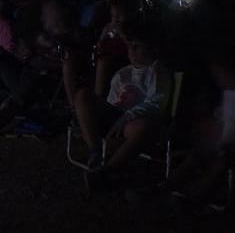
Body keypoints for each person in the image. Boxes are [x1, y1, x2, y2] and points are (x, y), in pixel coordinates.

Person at [158, 44, 235, 206]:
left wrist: (216, 139)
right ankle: (164, 187)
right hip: (229, 142)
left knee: (221, 157)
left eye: (220, 73)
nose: (217, 78)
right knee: (197, 155)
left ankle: (197, 197)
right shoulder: (230, 92)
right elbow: (222, 118)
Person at [75, 20, 174, 191]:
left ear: (151, 48)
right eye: (130, 46)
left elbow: (156, 103)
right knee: (83, 94)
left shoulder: (157, 71)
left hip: (133, 121)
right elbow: (111, 102)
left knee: (143, 127)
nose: (132, 51)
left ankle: (107, 171)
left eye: (137, 46)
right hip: (116, 115)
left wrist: (127, 116)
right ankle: (96, 151)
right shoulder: (123, 73)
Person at [92, 0, 133, 98]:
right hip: (105, 54)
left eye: (119, 16)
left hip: (120, 57)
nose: (116, 19)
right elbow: (100, 42)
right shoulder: (108, 27)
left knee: (103, 63)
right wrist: (102, 39)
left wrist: (121, 33)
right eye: (113, 16)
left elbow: (131, 45)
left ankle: (98, 98)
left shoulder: (129, 29)